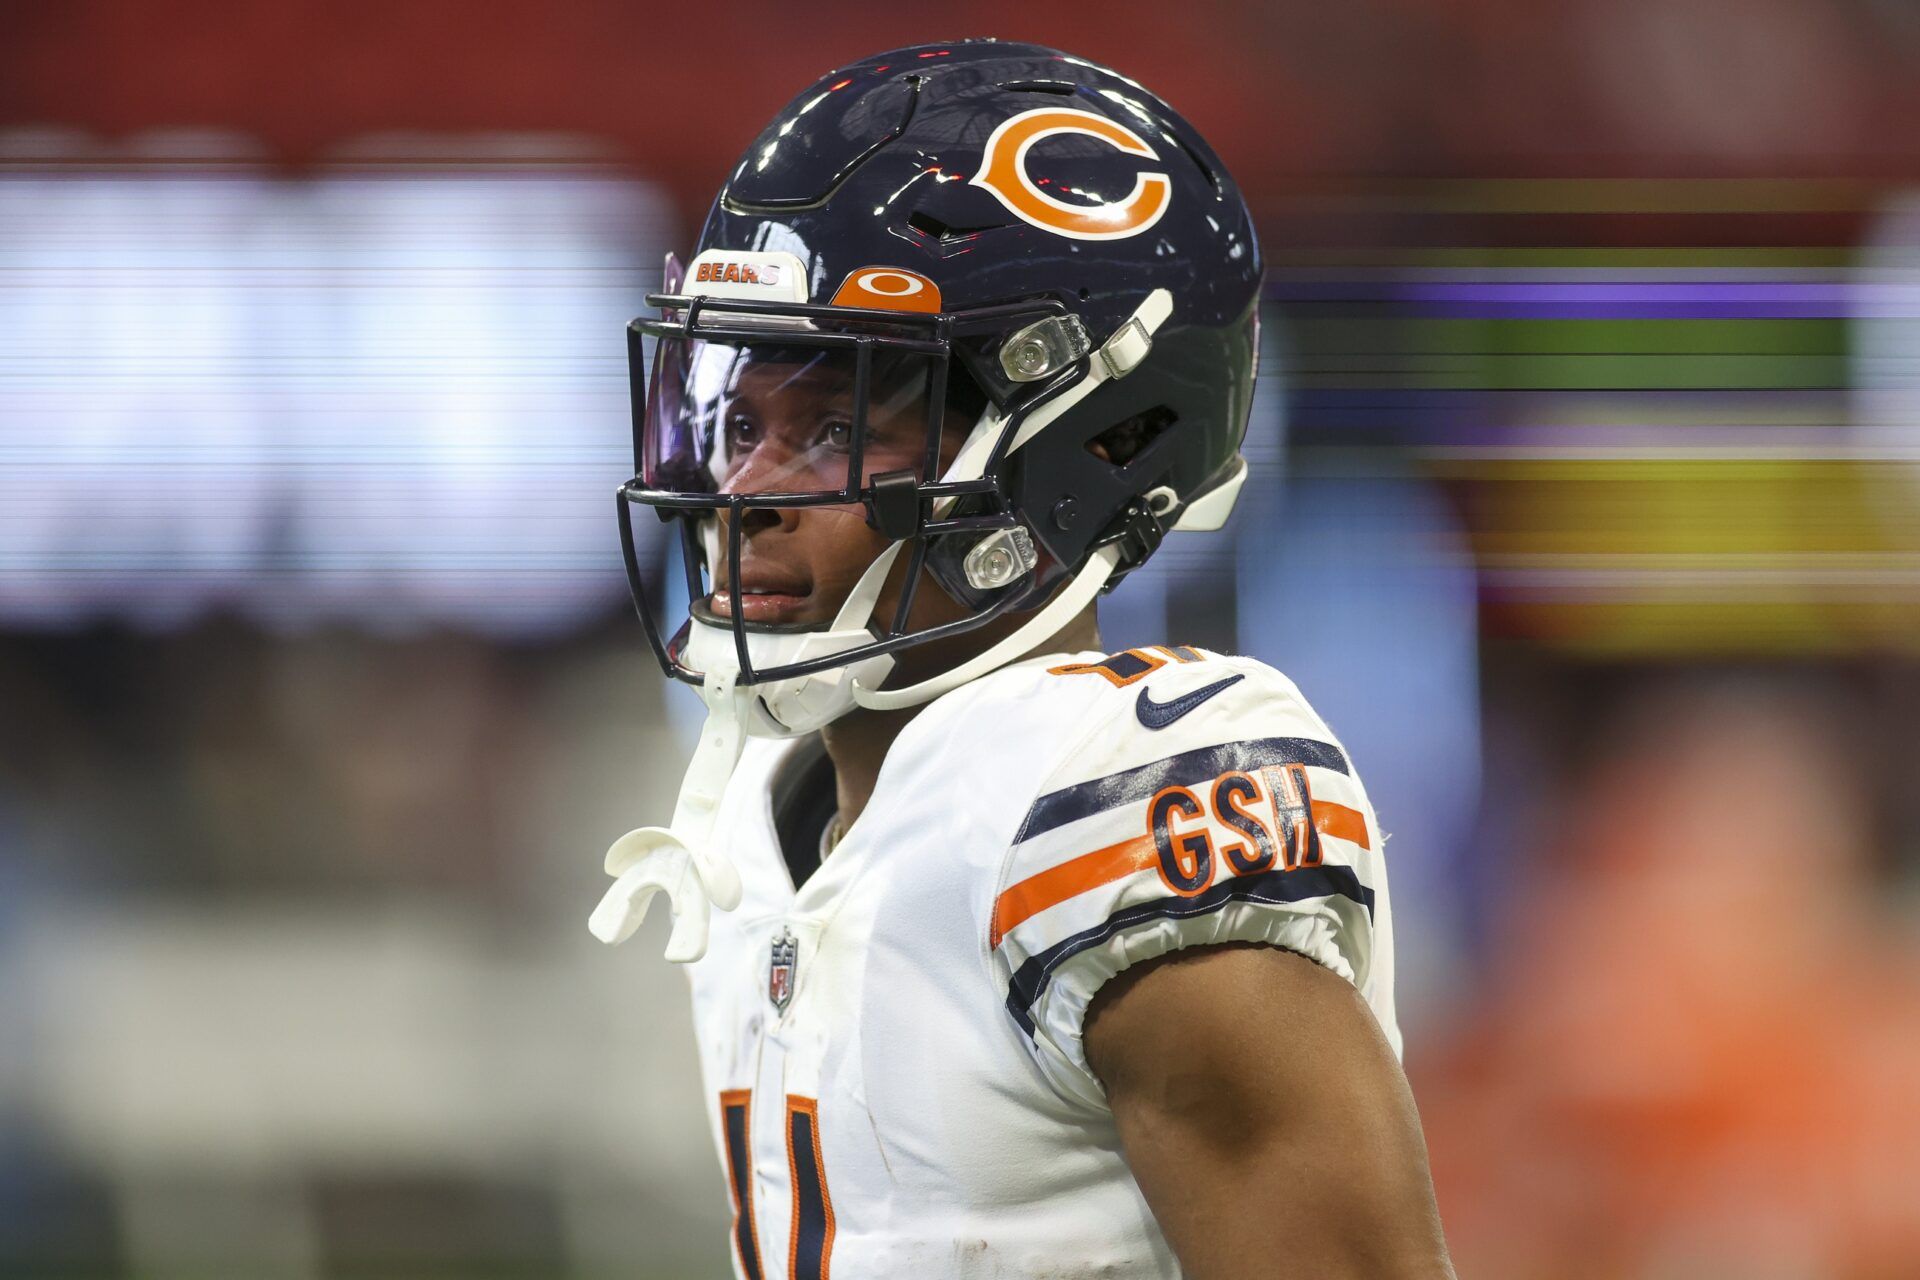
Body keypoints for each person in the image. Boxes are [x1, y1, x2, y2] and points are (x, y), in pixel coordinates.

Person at [589, 38, 1453, 1280]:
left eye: (836, 424)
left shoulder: (1110, 806)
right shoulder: (747, 830)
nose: (746, 489)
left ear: (1081, 441)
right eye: (736, 418)